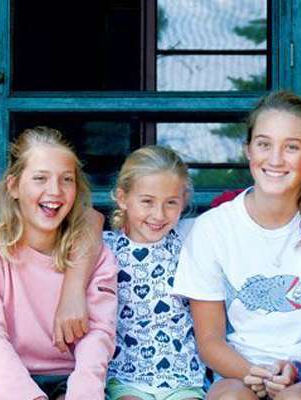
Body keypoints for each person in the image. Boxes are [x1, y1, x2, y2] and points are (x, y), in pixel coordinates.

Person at [173, 91, 301, 400]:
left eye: (291, 147)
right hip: (238, 372)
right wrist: (249, 372)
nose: (275, 159)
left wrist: (299, 369)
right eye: (264, 144)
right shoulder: (213, 228)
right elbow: (210, 340)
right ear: (248, 150)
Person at [0, 127, 118, 400]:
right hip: (6, 382)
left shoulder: (95, 255)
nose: (55, 191)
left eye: (67, 179)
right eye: (40, 178)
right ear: (14, 186)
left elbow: (98, 336)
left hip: (74, 379)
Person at [103, 145, 206, 400]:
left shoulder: (190, 238)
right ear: (122, 198)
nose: (159, 215)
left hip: (185, 376)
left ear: (183, 201)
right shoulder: (103, 247)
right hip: (126, 375)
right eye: (147, 201)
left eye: (171, 203)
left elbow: (238, 212)